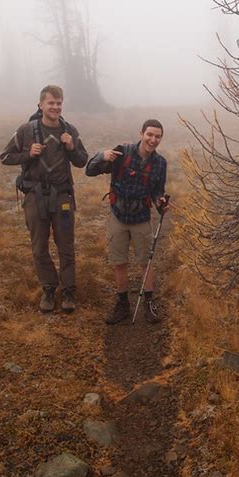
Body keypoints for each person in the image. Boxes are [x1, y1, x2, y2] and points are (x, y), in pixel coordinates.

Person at [0, 85, 88, 313]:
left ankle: (69, 291)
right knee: (39, 247)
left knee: (66, 245)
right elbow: (6, 156)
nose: (56, 107)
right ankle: (49, 289)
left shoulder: (69, 130)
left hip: (63, 197)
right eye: (51, 103)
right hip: (34, 197)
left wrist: (71, 146)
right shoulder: (26, 131)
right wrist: (28, 154)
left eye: (59, 103)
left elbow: (82, 161)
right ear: (40, 105)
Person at [86, 119, 169, 324]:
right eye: (149, 134)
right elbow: (89, 170)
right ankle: (122, 303)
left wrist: (161, 202)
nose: (153, 139)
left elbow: (158, 190)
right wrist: (101, 156)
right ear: (141, 133)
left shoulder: (160, 163)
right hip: (118, 216)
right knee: (119, 262)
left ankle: (149, 302)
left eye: (157, 136)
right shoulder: (122, 152)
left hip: (141, 217)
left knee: (145, 261)